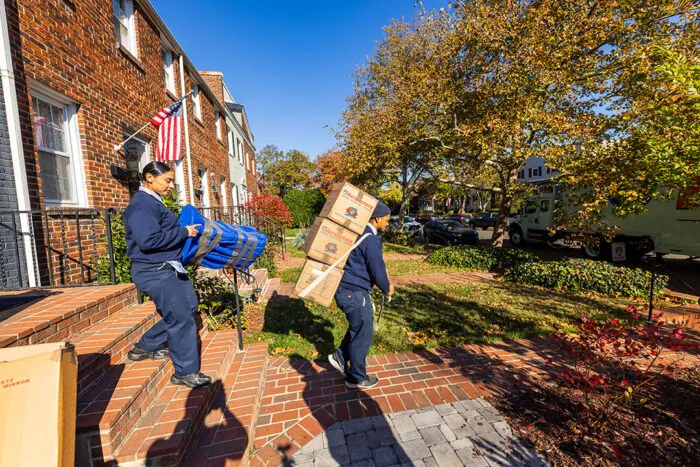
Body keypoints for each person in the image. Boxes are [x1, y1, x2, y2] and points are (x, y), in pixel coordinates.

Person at [123, 161, 212, 389]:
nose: (171, 185)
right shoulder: (142, 204)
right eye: (167, 180)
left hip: (169, 267)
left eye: (172, 181)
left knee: (189, 305)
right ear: (149, 177)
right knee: (181, 318)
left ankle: (145, 347)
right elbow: (148, 241)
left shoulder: (153, 201)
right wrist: (184, 232)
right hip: (154, 270)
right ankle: (185, 372)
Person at [328, 201, 395, 389]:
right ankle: (357, 378)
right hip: (354, 293)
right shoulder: (371, 239)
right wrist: (387, 288)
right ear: (377, 219)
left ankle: (339, 357)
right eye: (387, 220)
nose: (387, 224)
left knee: (358, 328)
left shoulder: (358, 234)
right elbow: (377, 269)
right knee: (362, 335)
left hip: (346, 290)